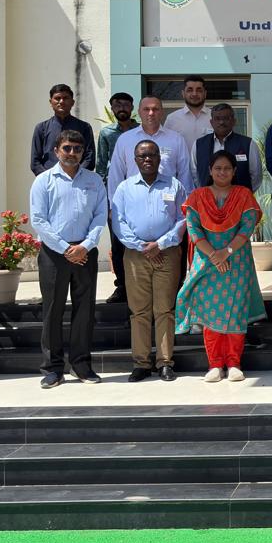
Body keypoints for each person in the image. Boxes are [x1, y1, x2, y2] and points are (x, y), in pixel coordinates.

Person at [178, 150, 267, 383]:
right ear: (210, 171)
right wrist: (214, 256)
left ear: (234, 171)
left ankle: (234, 363)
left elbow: (247, 227)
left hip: (236, 262)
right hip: (207, 263)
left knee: (235, 311)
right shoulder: (197, 197)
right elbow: (193, 229)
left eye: (227, 168)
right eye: (218, 168)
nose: (222, 172)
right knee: (211, 313)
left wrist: (226, 252)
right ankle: (215, 365)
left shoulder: (244, 195)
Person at [28, 129, 106, 388]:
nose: (72, 153)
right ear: (56, 151)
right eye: (67, 148)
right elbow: (39, 220)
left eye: (77, 149)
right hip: (54, 254)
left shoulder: (94, 181)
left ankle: (81, 365)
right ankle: (52, 368)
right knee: (53, 310)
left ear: (83, 152)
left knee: (85, 311)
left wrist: (85, 246)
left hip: (85, 253)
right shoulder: (43, 181)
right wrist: (65, 248)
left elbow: (100, 216)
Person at [112, 140, 186, 382]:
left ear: (159, 158)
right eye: (142, 156)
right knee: (139, 311)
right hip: (136, 255)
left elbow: (182, 220)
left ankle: (165, 362)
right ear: (135, 160)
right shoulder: (124, 188)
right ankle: (141, 363)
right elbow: (118, 222)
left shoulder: (174, 185)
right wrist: (140, 245)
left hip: (167, 254)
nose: (147, 159)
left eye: (152, 155)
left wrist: (160, 244)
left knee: (164, 309)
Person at [107, 96, 194, 198]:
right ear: (139, 112)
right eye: (146, 109)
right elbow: (116, 175)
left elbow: (185, 174)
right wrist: (114, 204)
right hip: (134, 200)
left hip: (168, 201)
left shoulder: (176, 139)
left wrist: (186, 202)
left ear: (162, 112)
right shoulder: (125, 139)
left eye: (155, 109)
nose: (151, 113)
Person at [95, 91, 136, 303]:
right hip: (115, 195)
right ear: (112, 109)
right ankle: (122, 286)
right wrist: (105, 198)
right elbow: (101, 166)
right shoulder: (107, 133)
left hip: (138, 193)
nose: (122, 108)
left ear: (132, 107)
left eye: (125, 104)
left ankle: (140, 284)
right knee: (118, 241)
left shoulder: (140, 130)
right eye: (117, 104)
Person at [194, 103, 262, 191]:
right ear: (211, 122)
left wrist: (244, 194)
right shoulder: (199, 144)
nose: (221, 122)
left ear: (234, 121)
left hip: (239, 198)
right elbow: (195, 175)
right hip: (207, 198)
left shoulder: (248, 144)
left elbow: (256, 176)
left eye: (226, 118)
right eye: (217, 118)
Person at [30, 83, 95, 174]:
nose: (61, 101)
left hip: (78, 179)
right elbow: (35, 162)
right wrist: (48, 178)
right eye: (57, 98)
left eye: (65, 98)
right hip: (49, 180)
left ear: (72, 102)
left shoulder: (84, 127)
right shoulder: (41, 128)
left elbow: (89, 158)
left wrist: (76, 176)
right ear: (51, 102)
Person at [164, 75, 213, 183]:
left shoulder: (214, 117)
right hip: (180, 177)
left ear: (205, 93)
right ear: (183, 93)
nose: (194, 94)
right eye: (190, 90)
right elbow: (166, 148)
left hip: (210, 177)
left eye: (199, 90)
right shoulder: (172, 119)